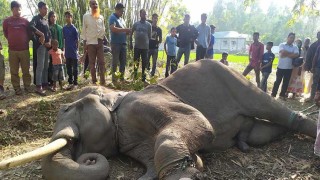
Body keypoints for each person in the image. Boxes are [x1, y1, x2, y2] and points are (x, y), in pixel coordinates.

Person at [3, 1, 31, 95]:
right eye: (16, 9)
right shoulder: (7, 21)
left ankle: (27, 86)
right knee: (14, 71)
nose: (18, 11)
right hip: (12, 50)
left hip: (24, 49)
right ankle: (17, 88)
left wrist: (24, 41)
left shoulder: (25, 21)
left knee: (26, 70)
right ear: (12, 9)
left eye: (19, 9)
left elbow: (29, 33)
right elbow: (6, 33)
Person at [81, 0, 106, 85]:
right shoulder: (86, 16)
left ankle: (103, 81)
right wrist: (85, 43)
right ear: (90, 5)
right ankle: (94, 81)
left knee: (102, 62)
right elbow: (84, 30)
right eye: (93, 4)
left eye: (96, 4)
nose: (95, 5)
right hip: (90, 43)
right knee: (92, 63)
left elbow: (103, 29)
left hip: (99, 42)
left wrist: (103, 39)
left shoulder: (101, 17)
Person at [29, 1, 51, 96]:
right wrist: (40, 34)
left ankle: (45, 83)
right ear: (40, 9)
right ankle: (38, 86)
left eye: (47, 8)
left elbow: (49, 33)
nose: (46, 10)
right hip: (40, 46)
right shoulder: (36, 18)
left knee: (46, 66)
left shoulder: (46, 20)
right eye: (45, 8)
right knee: (40, 66)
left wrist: (49, 42)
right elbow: (30, 26)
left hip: (46, 47)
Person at [271, 32, 299, 100]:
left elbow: (297, 54)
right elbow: (282, 52)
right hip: (280, 67)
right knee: (277, 81)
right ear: (288, 37)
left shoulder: (295, 47)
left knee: (286, 82)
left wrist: (286, 54)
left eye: (293, 38)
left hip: (289, 68)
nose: (292, 39)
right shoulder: (282, 44)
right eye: (291, 37)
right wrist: (291, 54)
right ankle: (273, 94)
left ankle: (282, 95)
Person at [109, 3, 131, 82]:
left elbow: (123, 31)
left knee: (123, 62)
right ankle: (114, 80)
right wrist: (125, 30)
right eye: (121, 10)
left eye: (123, 11)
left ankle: (122, 78)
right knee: (115, 62)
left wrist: (127, 32)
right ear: (117, 9)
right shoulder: (112, 17)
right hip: (116, 43)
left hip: (123, 43)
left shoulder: (122, 20)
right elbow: (113, 29)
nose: (122, 12)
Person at [130, 9, 152, 82]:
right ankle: (135, 77)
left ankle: (143, 78)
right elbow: (131, 33)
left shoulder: (149, 25)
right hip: (136, 47)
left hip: (145, 48)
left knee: (144, 63)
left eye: (145, 14)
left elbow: (149, 36)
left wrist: (148, 45)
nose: (145, 15)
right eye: (143, 14)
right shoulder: (136, 24)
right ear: (140, 15)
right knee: (136, 62)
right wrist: (130, 43)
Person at [63, 11, 79, 90]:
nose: (67, 18)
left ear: (71, 18)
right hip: (67, 51)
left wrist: (77, 50)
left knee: (75, 68)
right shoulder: (64, 28)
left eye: (69, 17)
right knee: (68, 68)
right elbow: (63, 40)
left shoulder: (74, 29)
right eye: (66, 16)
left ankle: (75, 83)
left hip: (74, 51)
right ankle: (70, 82)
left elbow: (77, 40)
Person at [48, 11, 63, 89]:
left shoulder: (60, 28)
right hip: (52, 50)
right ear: (49, 18)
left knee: (60, 67)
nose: (53, 18)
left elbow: (63, 39)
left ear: (56, 17)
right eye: (51, 17)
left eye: (54, 16)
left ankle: (60, 83)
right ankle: (52, 83)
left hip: (59, 49)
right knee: (52, 67)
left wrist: (63, 48)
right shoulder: (48, 28)